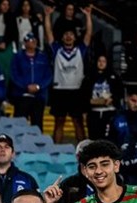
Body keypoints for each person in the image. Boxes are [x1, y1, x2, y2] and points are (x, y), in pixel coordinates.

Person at [44, 3, 93, 143]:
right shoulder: (56, 49)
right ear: (62, 37)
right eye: (66, 34)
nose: (68, 36)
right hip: (59, 91)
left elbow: (88, 33)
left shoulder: (80, 50)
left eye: (71, 34)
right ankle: (55, 153)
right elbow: (48, 33)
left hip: (76, 91)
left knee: (78, 122)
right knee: (59, 122)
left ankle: (83, 153)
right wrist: (47, 16)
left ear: (75, 37)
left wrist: (88, 16)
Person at [9, 32, 52, 130]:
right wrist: (25, 86)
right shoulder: (17, 57)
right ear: (25, 43)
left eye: (34, 40)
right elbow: (14, 74)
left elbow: (48, 75)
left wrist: (38, 86)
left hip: (39, 96)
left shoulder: (43, 57)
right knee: (19, 125)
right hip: (21, 96)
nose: (32, 42)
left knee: (37, 125)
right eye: (30, 40)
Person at [84, 54, 123, 141]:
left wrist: (112, 99)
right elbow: (83, 94)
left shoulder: (114, 76)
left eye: (104, 61)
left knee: (108, 138)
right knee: (94, 138)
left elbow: (119, 91)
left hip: (109, 112)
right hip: (94, 113)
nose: (101, 63)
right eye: (99, 61)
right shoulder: (89, 76)